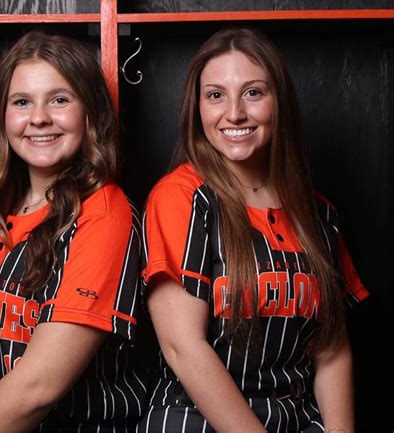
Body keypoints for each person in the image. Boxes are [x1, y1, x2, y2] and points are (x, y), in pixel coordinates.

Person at [139, 27, 368, 433]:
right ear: (197, 108)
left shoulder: (319, 213)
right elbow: (183, 348)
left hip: (296, 418)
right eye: (215, 95)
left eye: (253, 93)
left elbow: (332, 351)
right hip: (196, 419)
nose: (234, 113)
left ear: (280, 102)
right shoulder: (182, 197)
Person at [0, 31, 147, 433]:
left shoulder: (104, 215)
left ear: (90, 112)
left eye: (59, 100)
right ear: (2, 116)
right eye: (22, 102)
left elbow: (39, 388)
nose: (38, 118)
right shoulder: (9, 202)